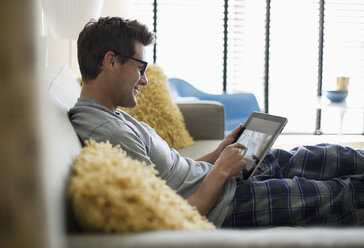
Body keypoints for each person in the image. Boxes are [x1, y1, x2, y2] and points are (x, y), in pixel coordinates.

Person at [69, 16, 364, 228]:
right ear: (111, 61)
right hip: (226, 205)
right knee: (338, 194)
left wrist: (219, 154)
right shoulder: (105, 133)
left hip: (223, 180)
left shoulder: (111, 115)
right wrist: (221, 170)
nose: (144, 80)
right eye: (141, 67)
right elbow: (175, 216)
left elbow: (174, 174)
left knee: (325, 155)